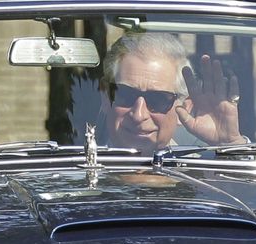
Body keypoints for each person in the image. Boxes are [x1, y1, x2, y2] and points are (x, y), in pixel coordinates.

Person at [101, 32, 245, 154]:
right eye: (126, 95)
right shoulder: (80, 167)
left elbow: (244, 186)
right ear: (105, 97)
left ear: (185, 107)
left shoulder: (203, 171)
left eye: (158, 100)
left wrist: (231, 146)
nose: (139, 115)